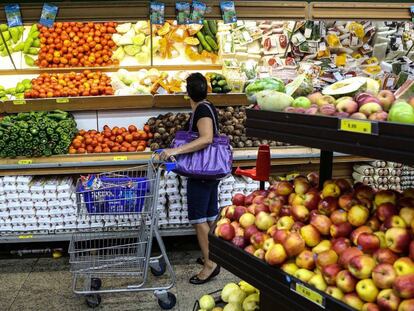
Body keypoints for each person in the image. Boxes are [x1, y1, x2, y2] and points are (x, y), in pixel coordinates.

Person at [160, 73, 221, 284]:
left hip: (201, 172)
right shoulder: (208, 106)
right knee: (211, 215)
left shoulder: (202, 109)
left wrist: (175, 151)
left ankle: (209, 264)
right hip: (210, 171)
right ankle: (214, 255)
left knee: (198, 219)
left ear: (188, 92)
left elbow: (206, 139)